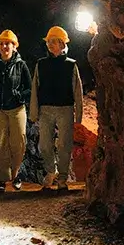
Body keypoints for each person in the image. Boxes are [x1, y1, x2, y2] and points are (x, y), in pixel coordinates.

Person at [29, 25, 83, 191]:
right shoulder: (41, 64)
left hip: (65, 109)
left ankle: (62, 178)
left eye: (53, 41)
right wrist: (34, 112)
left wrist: (78, 116)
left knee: (64, 145)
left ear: (62, 44)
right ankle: (51, 171)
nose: (50, 44)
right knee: (44, 144)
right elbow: (35, 89)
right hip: (46, 109)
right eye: (48, 42)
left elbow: (77, 91)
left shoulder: (71, 65)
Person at [0, 30, 32, 192]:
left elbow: (29, 88)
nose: (4, 46)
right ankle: (2, 179)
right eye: (1, 43)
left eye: (8, 43)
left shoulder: (21, 66)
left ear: (14, 47)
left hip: (16, 109)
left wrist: (19, 96)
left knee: (18, 143)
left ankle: (16, 175)